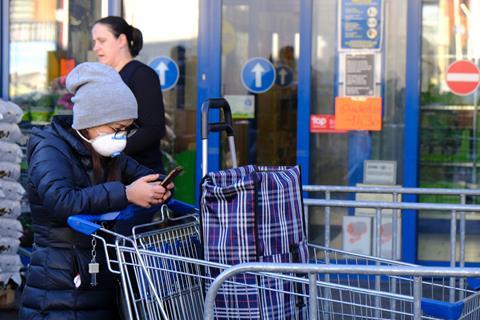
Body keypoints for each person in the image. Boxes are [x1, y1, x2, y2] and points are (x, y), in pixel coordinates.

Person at [19, 62, 173, 320]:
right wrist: (126, 194)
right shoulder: (50, 149)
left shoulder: (109, 153)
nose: (121, 137)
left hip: (97, 277)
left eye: (126, 129)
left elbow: (140, 175)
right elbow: (61, 201)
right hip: (59, 285)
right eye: (115, 129)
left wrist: (159, 186)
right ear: (90, 120)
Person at [92, 16, 166, 174]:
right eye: (94, 42)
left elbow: (153, 129)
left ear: (121, 40)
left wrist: (111, 150)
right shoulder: (107, 77)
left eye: (102, 40)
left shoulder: (142, 75)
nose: (96, 47)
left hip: (141, 174)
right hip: (113, 175)